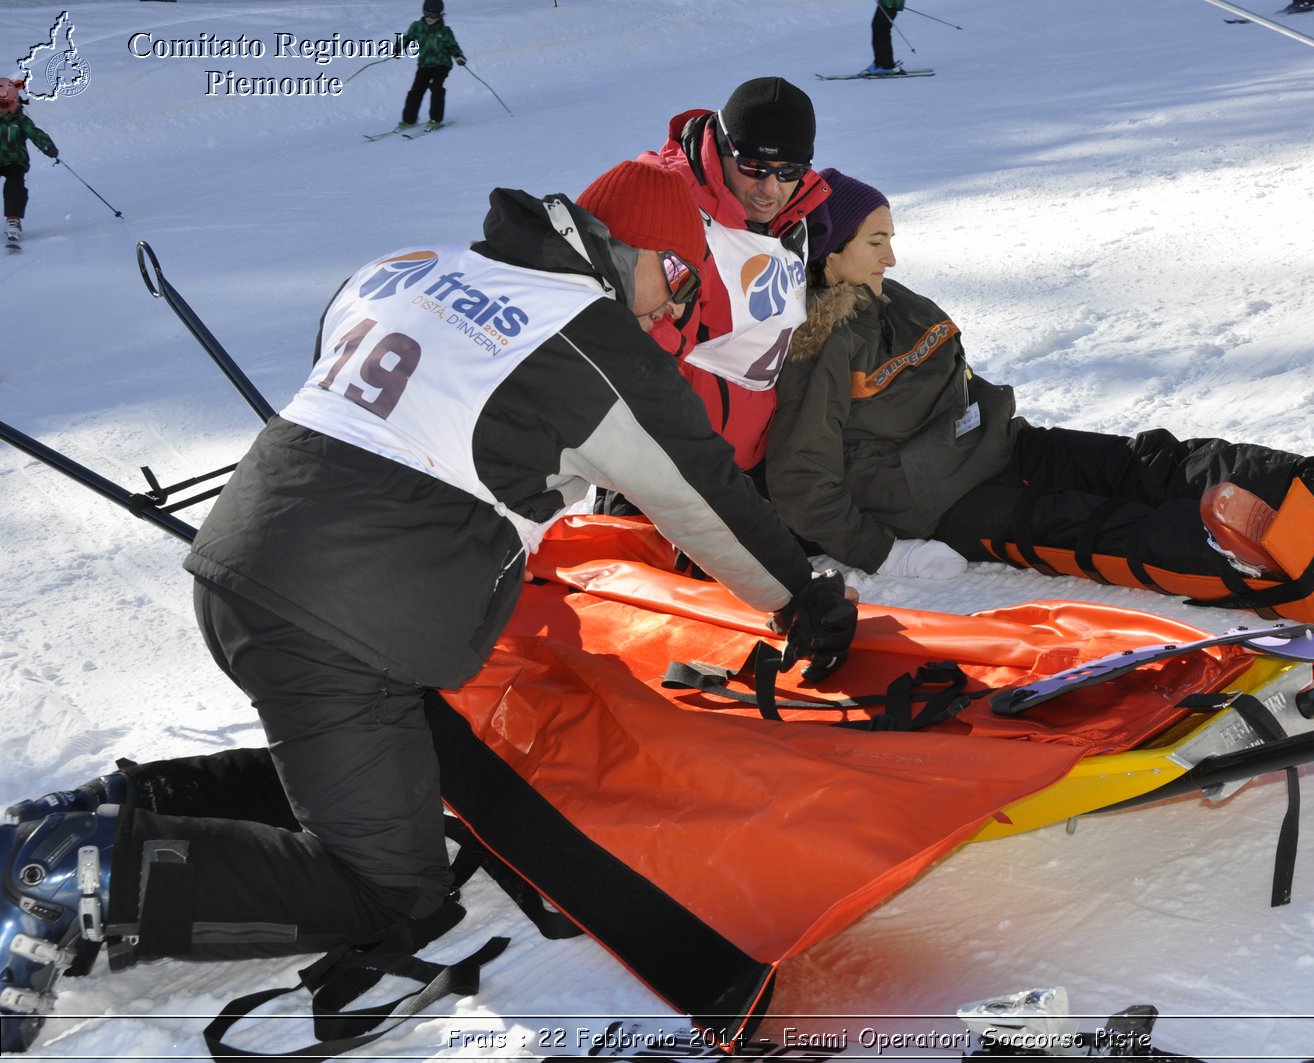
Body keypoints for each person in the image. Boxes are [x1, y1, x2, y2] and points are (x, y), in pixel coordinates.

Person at [0, 161, 858, 1054]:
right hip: (339, 625)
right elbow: (704, 493)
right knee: (389, 891)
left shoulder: (409, 264)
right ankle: (72, 873)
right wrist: (800, 599)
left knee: (373, 768)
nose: (675, 311)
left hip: (244, 561)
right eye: (677, 277)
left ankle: (97, 810)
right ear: (626, 248)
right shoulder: (588, 339)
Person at [765, 169, 1314, 618]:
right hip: (941, 506)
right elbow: (799, 482)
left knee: (1144, 461)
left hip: (999, 444)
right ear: (830, 251)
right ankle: (1242, 561)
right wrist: (887, 553)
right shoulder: (818, 348)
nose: (892, 257)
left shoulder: (893, 299)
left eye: (892, 239)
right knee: (1090, 525)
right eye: (877, 241)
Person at [627, 76, 831, 486]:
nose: (769, 189)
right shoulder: (670, 209)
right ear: (722, 148)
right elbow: (644, 362)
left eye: (789, 171)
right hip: (673, 472)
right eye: (753, 167)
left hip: (754, 459)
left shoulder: (797, 210)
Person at [0, 78, 58, 243]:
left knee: (14, 185)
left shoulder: (21, 120)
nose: (0, 110)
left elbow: (34, 133)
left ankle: (13, 219)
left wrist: (47, 145)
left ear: (14, 103)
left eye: (4, 105)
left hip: (15, 160)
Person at [397, 0, 466, 132]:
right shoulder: (416, 26)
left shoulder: (445, 31)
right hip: (424, 64)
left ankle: (435, 119)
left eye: (434, 15)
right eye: (427, 13)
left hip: (442, 64)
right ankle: (409, 120)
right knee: (416, 90)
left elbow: (452, 46)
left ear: (440, 15)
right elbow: (406, 38)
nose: (429, 18)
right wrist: (398, 49)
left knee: (436, 87)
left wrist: (458, 56)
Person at [866, 0, 907, 76]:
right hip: (886, 2)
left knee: (881, 30)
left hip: (890, 3)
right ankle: (879, 63)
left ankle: (887, 65)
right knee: (877, 27)